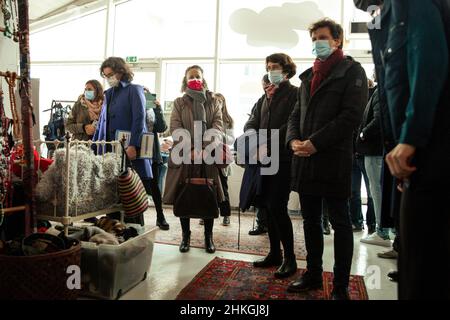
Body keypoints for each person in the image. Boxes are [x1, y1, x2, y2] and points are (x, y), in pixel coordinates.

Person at [364, 0, 450, 299]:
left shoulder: (410, 4)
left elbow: (428, 63)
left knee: (421, 272)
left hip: (431, 150)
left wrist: (410, 139)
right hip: (417, 152)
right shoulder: (383, 14)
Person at [286, 18, 368, 300]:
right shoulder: (308, 76)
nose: (316, 43)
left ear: (337, 40)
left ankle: (341, 286)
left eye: (322, 37)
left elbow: (351, 117)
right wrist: (293, 140)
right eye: (313, 39)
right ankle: (312, 274)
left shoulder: (353, 72)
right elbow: (296, 114)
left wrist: (315, 143)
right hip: (305, 160)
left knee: (340, 223)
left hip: (333, 160)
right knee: (309, 221)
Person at [245, 53, 298, 279]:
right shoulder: (264, 97)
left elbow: (293, 125)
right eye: (268, 67)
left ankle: (290, 258)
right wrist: (255, 142)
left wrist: (269, 144)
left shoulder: (295, 94)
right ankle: (274, 253)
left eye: (274, 66)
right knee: (266, 207)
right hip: (263, 159)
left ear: (286, 70)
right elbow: (251, 122)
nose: (270, 70)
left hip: (283, 159)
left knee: (278, 206)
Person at [163, 65, 225, 254]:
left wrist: (204, 150)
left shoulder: (213, 102)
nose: (194, 79)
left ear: (203, 78)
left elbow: (218, 127)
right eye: (191, 77)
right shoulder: (179, 102)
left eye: (197, 76)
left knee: (208, 195)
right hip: (185, 156)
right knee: (185, 195)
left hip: (208, 157)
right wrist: (189, 149)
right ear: (185, 80)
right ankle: (185, 237)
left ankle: (208, 237)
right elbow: (175, 126)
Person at [94, 57, 152, 226]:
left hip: (129, 149)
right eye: (105, 76)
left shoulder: (135, 90)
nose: (109, 78)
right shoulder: (109, 94)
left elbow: (139, 119)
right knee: (113, 196)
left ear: (121, 72)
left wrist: (134, 144)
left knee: (130, 194)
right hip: (110, 151)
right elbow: (104, 123)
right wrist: (97, 148)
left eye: (111, 74)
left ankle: (135, 232)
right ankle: (116, 231)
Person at [357, 86, 391, 246]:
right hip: (375, 149)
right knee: (377, 189)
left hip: (374, 149)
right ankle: (383, 230)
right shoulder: (380, 90)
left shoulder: (380, 91)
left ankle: (382, 232)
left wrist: (363, 133)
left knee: (377, 190)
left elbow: (379, 119)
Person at [247, 75, 271, 236]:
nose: (266, 88)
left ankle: (273, 224)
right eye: (264, 86)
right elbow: (250, 123)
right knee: (260, 190)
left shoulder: (291, 97)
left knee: (275, 196)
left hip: (279, 153)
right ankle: (261, 223)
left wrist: (268, 143)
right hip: (261, 152)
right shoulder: (261, 101)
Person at [143, 88, 170, 230]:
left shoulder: (153, 110)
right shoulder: (134, 108)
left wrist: (158, 109)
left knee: (155, 186)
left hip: (152, 150)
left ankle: (160, 217)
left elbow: (162, 128)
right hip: (137, 149)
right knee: (137, 184)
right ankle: (138, 218)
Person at [214, 93, 235, 227]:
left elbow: (231, 139)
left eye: (220, 101)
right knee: (209, 187)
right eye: (215, 101)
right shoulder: (209, 117)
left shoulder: (228, 120)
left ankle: (226, 215)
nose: (218, 103)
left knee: (223, 188)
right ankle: (207, 213)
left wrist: (218, 134)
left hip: (221, 158)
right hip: (208, 157)